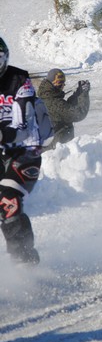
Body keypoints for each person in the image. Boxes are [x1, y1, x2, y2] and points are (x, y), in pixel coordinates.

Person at [0, 36, 52, 265]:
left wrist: (4, 134)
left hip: (23, 152)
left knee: (7, 201)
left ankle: (24, 260)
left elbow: (25, 124)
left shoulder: (19, 80)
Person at [36, 68, 89, 147]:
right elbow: (78, 114)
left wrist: (77, 94)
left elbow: (67, 108)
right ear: (57, 84)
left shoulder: (42, 98)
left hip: (46, 147)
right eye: (62, 83)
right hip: (57, 150)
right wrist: (83, 94)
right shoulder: (55, 103)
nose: (63, 86)